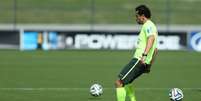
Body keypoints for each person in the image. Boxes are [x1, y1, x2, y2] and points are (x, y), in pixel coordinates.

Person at [115, 5, 158, 101]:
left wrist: (144, 55)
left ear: (142, 16)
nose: (136, 18)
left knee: (119, 82)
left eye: (137, 16)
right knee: (128, 82)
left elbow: (151, 38)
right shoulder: (152, 26)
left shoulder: (148, 25)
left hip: (139, 59)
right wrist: (149, 65)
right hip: (144, 62)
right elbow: (155, 50)